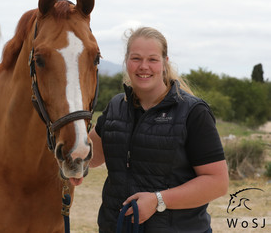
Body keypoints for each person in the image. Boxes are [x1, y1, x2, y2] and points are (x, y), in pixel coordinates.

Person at [89, 27, 229, 232]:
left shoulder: (193, 112)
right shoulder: (116, 106)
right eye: (136, 58)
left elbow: (217, 183)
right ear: (126, 61)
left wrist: (158, 200)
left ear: (164, 63)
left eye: (152, 59)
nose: (143, 66)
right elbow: (90, 158)